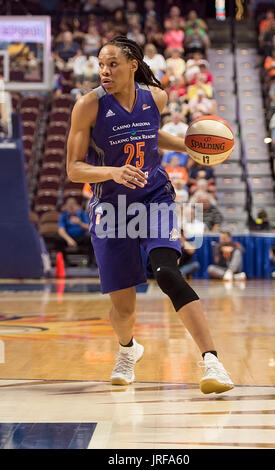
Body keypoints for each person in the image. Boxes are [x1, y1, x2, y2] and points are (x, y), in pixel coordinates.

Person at [66, 36, 233, 394]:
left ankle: (213, 362)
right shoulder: (88, 106)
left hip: (155, 196)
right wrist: (112, 172)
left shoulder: (156, 97)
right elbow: (73, 168)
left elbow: (150, 135)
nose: (105, 71)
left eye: (112, 64)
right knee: (123, 308)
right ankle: (128, 349)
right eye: (101, 65)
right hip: (111, 209)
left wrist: (191, 145)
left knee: (167, 273)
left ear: (133, 65)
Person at [57, 197, 94, 266]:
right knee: (58, 239)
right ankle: (64, 262)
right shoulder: (64, 215)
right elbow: (60, 230)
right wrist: (68, 239)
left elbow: (89, 228)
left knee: (90, 238)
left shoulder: (82, 214)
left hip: (81, 237)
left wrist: (79, 223)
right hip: (69, 238)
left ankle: (91, 263)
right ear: (66, 207)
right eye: (69, 207)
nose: (71, 209)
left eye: (72, 207)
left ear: (76, 206)